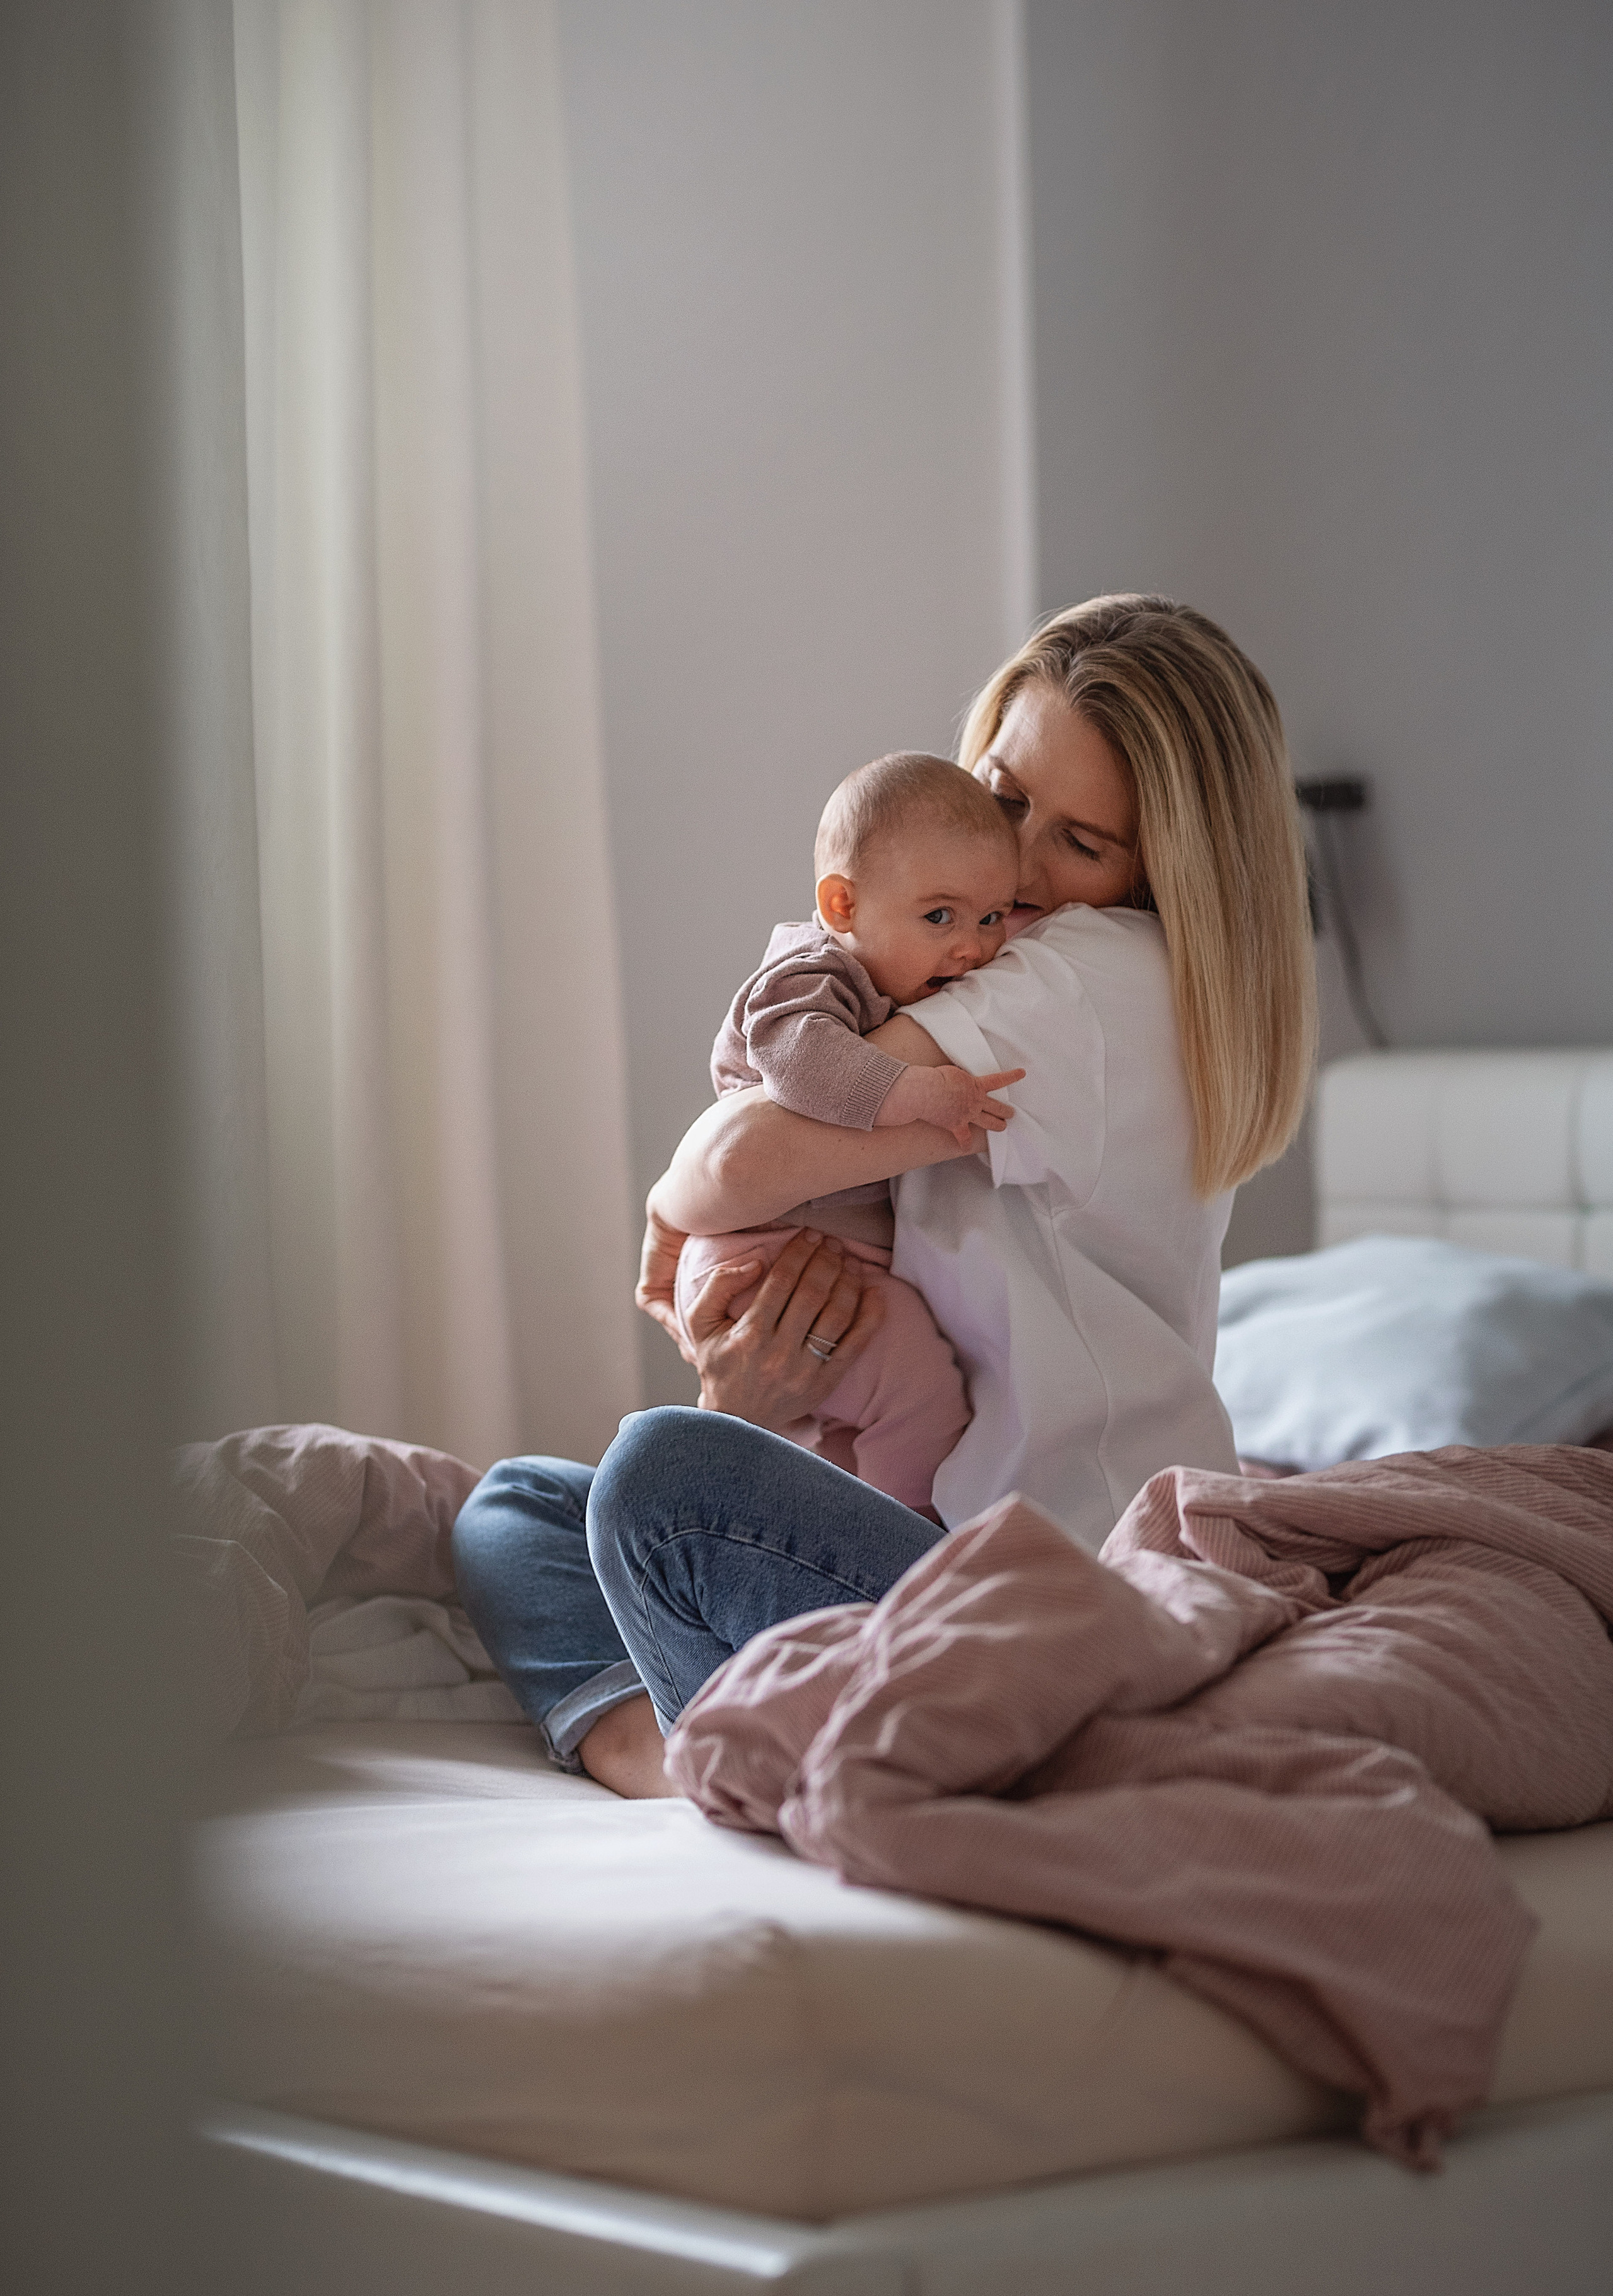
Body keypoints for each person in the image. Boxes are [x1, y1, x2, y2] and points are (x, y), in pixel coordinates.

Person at [453, 595, 1317, 1799]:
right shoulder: (1025, 953)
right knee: (519, 1507)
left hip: (1047, 1583)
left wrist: (667, 1208)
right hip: (951, 1545)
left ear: (1162, 874)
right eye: (1005, 795)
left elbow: (738, 1165)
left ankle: (704, 1755)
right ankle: (696, 1740)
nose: (1015, 863)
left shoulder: (1082, 977)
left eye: (1078, 842)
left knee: (660, 1477)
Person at [675, 749, 1023, 1511]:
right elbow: (799, 1062)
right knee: (923, 1394)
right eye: (940, 917)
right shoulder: (810, 973)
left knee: (841, 1446)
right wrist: (918, 1091)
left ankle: (841, 1570)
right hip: (763, 1256)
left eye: (992, 917)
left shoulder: (890, 977)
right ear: (842, 907)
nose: (973, 946)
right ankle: (912, 1550)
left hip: (799, 1256)